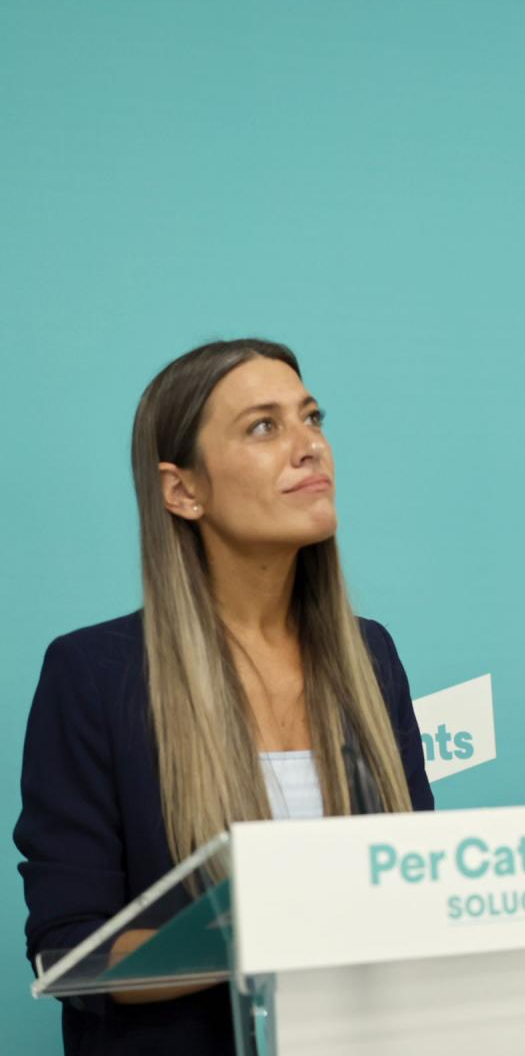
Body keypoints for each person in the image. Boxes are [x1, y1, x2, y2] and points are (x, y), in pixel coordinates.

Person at [14, 339, 434, 1055]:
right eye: (264, 427)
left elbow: (417, 894)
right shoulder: (93, 674)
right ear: (182, 491)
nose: (308, 448)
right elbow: (70, 955)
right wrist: (267, 921)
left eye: (312, 418)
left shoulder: (372, 657)